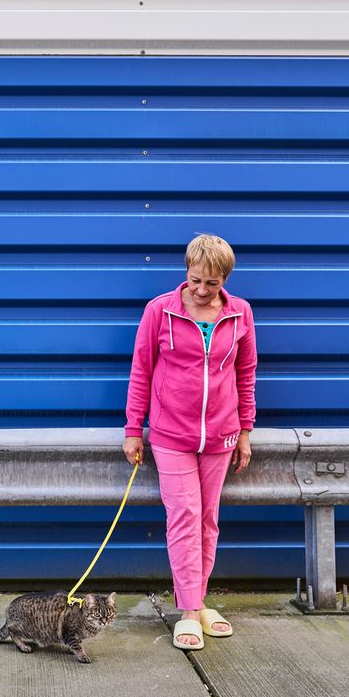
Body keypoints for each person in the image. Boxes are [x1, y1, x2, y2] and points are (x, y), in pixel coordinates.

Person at [123, 234, 257, 650]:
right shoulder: (159, 311)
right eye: (196, 280)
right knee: (184, 516)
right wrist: (133, 429)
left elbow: (246, 373)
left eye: (212, 284)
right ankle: (188, 611)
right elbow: (141, 370)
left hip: (221, 434)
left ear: (225, 281)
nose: (201, 290)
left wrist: (246, 431)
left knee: (208, 520)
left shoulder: (240, 314)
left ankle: (197, 604)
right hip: (170, 434)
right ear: (186, 271)